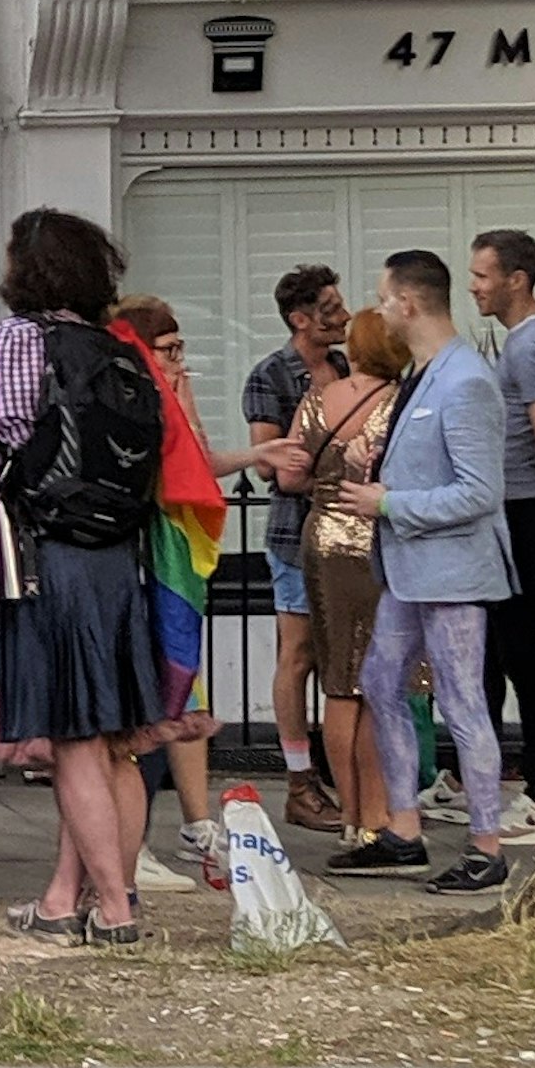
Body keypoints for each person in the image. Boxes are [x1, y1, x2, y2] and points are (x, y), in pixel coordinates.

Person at [0, 206, 167, 950]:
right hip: (117, 559)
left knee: (73, 742)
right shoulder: (120, 349)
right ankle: (63, 896)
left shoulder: (5, 345)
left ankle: (113, 909)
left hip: (44, 557)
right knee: (110, 741)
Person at [330, 247, 513, 895]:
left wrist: (389, 501)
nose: (379, 309)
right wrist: (383, 465)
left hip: (454, 571)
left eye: (383, 297)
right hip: (411, 567)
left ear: (408, 302)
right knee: (381, 682)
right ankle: (404, 829)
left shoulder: (464, 379)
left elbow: (479, 492)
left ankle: (487, 844)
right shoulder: (425, 374)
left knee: (463, 701)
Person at [114, 296, 302, 889]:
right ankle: (132, 838)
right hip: (150, 565)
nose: (178, 361)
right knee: (151, 699)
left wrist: (254, 452)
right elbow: (168, 473)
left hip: (181, 569)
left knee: (186, 695)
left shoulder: (169, 394)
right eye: (167, 350)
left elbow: (197, 465)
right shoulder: (130, 401)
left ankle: (196, 825)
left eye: (181, 349)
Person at [468, 227, 535, 838]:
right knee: (504, 649)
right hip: (519, 504)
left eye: (482, 276)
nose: (474, 287)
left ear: (517, 279)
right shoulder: (528, 341)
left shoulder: (529, 347)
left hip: (519, 507)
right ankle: (519, 781)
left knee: (519, 651)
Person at [297, 305, 411, 847]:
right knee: (379, 683)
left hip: (321, 537)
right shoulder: (399, 402)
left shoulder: (318, 398)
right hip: (376, 538)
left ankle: (349, 815)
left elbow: (288, 473)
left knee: (339, 683)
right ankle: (378, 815)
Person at [245, 263, 351, 829]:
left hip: (353, 535)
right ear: (301, 319)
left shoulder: (346, 368)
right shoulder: (272, 376)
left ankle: (348, 776)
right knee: (300, 654)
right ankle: (299, 781)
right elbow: (272, 462)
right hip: (296, 536)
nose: (345, 317)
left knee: (345, 658)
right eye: (331, 309)